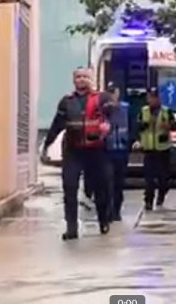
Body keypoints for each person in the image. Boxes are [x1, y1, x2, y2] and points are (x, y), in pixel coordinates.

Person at [41, 67, 114, 240]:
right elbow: (57, 125)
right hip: (73, 151)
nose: (81, 80)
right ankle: (71, 228)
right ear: (73, 80)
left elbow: (113, 115)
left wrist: (108, 126)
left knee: (101, 188)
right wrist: (47, 144)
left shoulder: (102, 98)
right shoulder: (66, 102)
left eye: (85, 77)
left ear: (91, 79)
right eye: (78, 77)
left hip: (96, 151)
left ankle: (103, 220)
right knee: (70, 188)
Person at [137, 87, 176, 211]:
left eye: (154, 97)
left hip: (163, 150)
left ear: (159, 99)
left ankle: (161, 196)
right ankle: (148, 201)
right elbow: (137, 126)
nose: (152, 100)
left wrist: (169, 126)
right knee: (149, 179)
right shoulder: (144, 111)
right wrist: (144, 125)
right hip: (149, 150)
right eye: (150, 97)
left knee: (163, 179)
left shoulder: (166, 111)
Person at [104, 83, 134, 222]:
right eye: (109, 92)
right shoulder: (102, 109)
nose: (112, 96)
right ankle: (108, 211)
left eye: (114, 92)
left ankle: (116, 210)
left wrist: (131, 142)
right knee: (107, 182)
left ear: (118, 94)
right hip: (106, 151)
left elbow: (132, 126)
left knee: (119, 184)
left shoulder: (126, 108)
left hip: (122, 150)